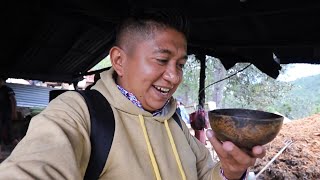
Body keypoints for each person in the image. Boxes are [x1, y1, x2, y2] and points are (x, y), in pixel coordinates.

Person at [0, 10, 266, 179]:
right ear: (119, 60)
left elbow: (206, 175)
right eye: (162, 60)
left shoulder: (173, 120)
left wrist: (230, 171)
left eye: (180, 65)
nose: (174, 76)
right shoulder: (78, 113)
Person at [0, 76, 17, 157]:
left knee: (8, 132)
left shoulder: (7, 89)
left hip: (6, 114)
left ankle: (17, 149)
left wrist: (14, 112)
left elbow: (13, 100)